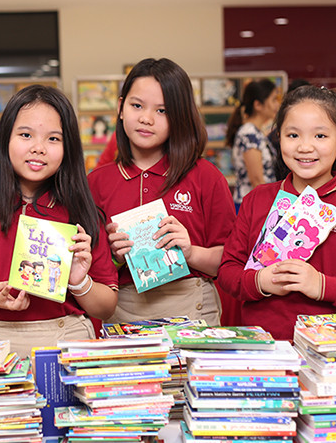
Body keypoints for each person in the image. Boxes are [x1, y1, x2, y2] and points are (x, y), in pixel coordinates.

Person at [0, 85, 118, 359]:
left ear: (68, 148)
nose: (38, 148)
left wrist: (78, 281)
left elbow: (106, 307)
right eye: (26, 135)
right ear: (5, 138)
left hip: (67, 339)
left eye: (53, 139)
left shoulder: (82, 212)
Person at [218, 85, 336, 340]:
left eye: (320, 136)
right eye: (293, 135)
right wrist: (261, 281)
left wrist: (322, 285)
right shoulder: (257, 200)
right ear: (278, 138)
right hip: (268, 347)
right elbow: (228, 271)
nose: (305, 147)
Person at [87, 58, 236, 325]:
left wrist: (191, 252)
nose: (146, 118)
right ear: (120, 108)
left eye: (162, 110)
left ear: (179, 117)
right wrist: (113, 257)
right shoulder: (97, 182)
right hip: (123, 312)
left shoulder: (205, 176)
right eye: (137, 106)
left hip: (192, 309)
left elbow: (231, 261)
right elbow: (85, 271)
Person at [225, 79, 280, 212]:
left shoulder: (256, 132)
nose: (277, 105)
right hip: (252, 207)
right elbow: (257, 180)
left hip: (256, 204)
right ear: (258, 105)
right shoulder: (249, 133)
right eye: (273, 100)